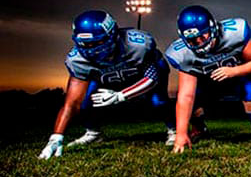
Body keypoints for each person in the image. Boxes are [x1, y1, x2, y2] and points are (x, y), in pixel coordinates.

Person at [38, 10, 175, 159]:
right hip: (107, 78)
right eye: (86, 44)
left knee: (158, 100)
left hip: (142, 74)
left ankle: (174, 130)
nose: (92, 49)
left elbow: (152, 78)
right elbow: (71, 103)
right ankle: (93, 133)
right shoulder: (77, 60)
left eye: (97, 42)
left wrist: (120, 96)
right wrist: (56, 137)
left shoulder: (138, 45)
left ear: (113, 34)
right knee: (85, 101)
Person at [165, 5, 251, 153]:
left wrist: (234, 71)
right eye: (193, 40)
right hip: (207, 82)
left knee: (249, 87)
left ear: (213, 28)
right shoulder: (181, 53)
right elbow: (186, 96)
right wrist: (181, 134)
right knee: (191, 97)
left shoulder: (235, 32)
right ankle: (199, 128)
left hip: (237, 76)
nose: (199, 42)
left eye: (203, 36)